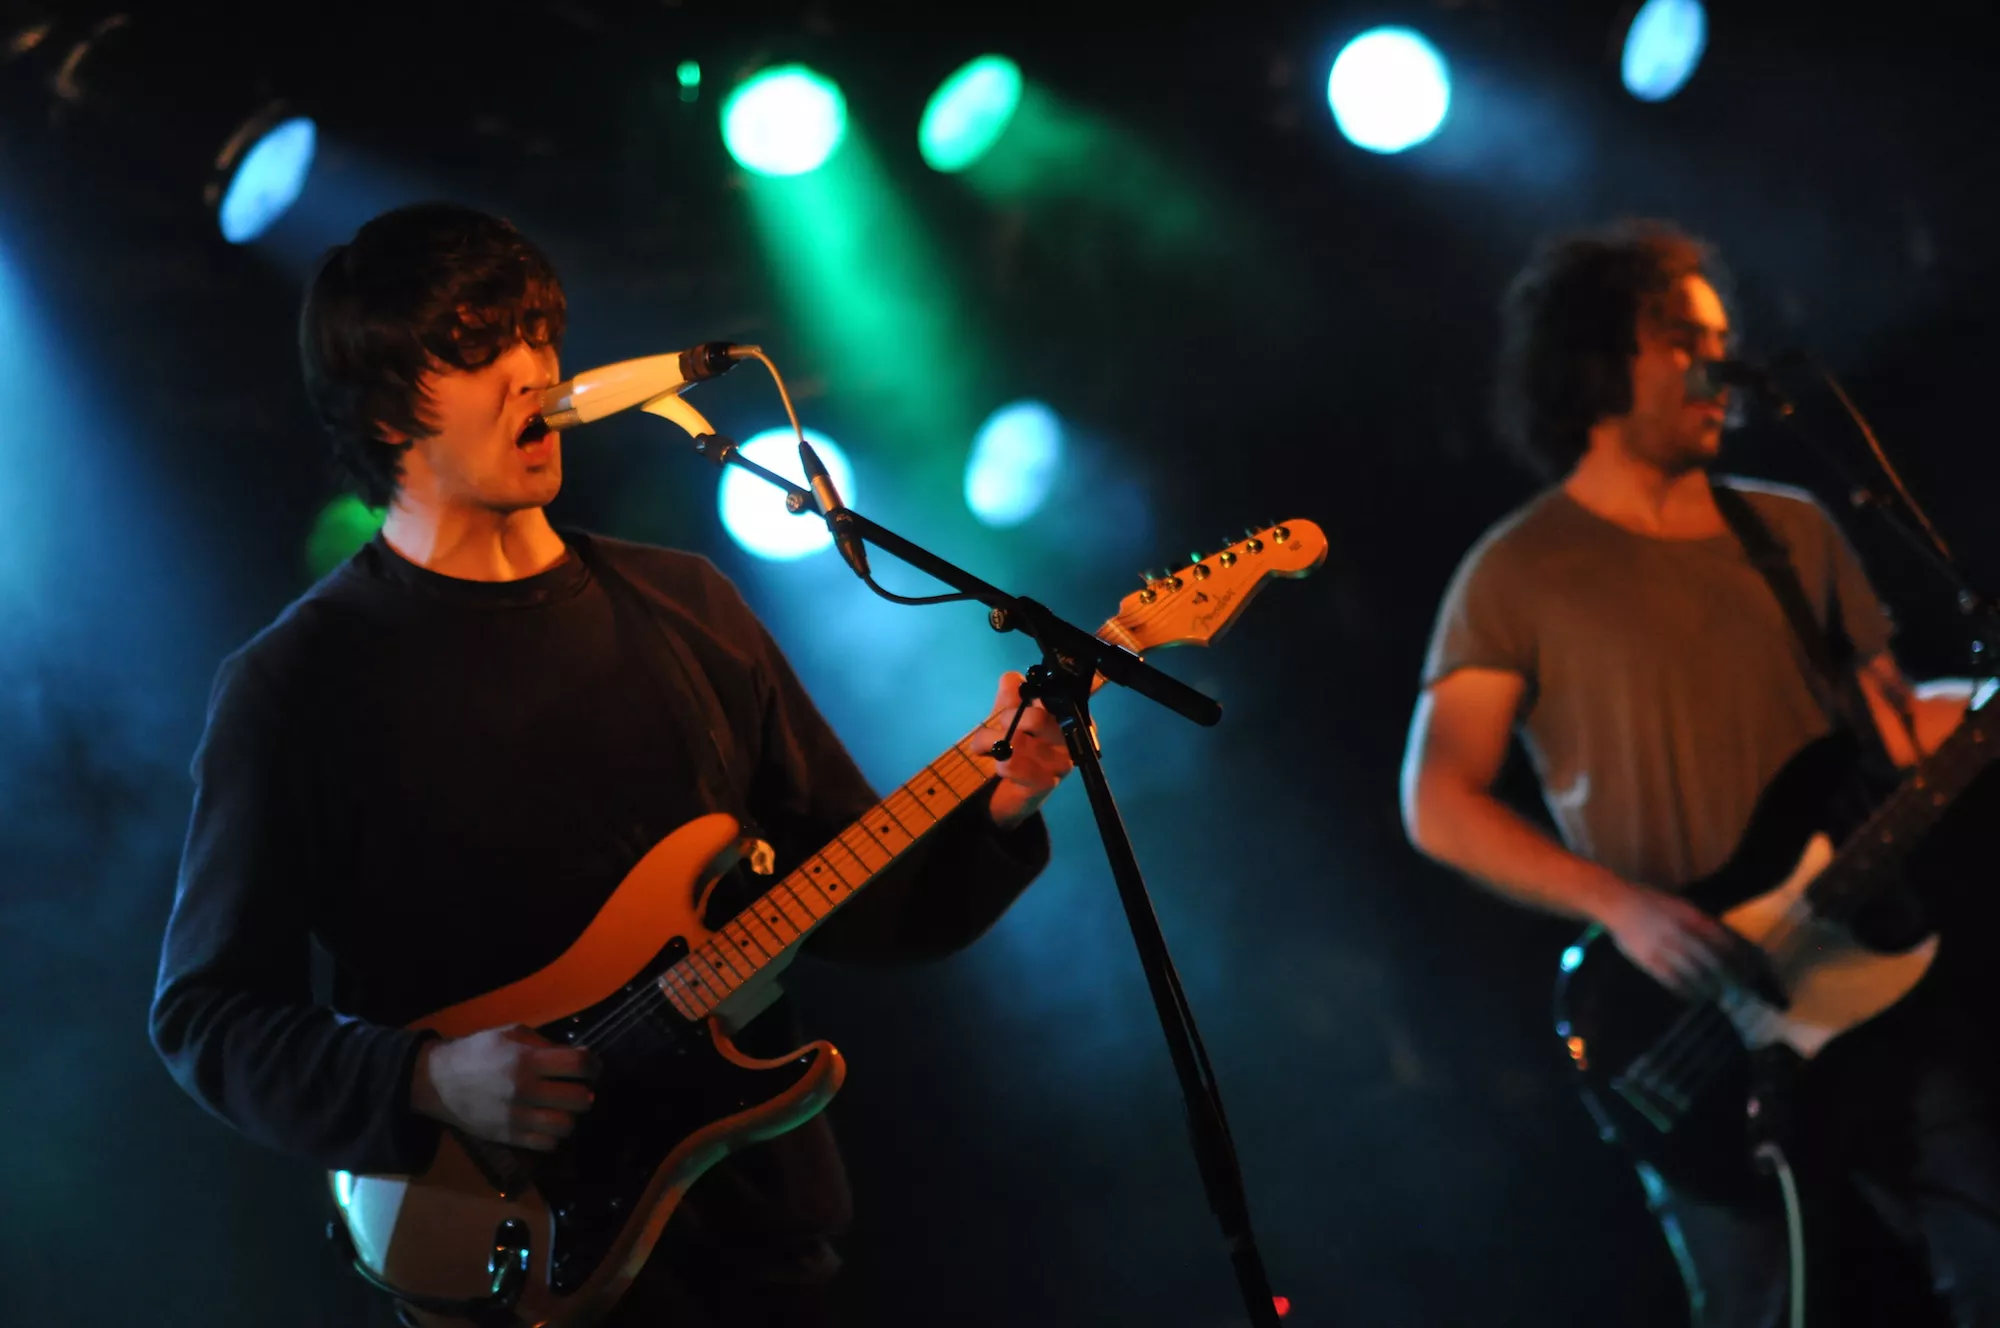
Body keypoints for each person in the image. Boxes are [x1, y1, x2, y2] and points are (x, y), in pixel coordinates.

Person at [148, 201, 1074, 1327]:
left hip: (760, 1243)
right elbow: (208, 1017)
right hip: (514, 1251)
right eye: (477, 350)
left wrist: (996, 804)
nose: (533, 373)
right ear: (385, 409)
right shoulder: (297, 683)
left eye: (536, 334)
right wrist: (423, 1078)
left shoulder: (686, 605)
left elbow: (851, 897)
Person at [1399, 220, 2000, 1326]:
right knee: (1761, 1306)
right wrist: (1619, 906)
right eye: (1683, 338)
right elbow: (1437, 799)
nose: (1719, 365)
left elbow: (1895, 721)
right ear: (1596, 356)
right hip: (1686, 1022)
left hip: (1865, 963)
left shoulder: (1789, 529)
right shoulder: (1515, 573)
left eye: (1722, 340)